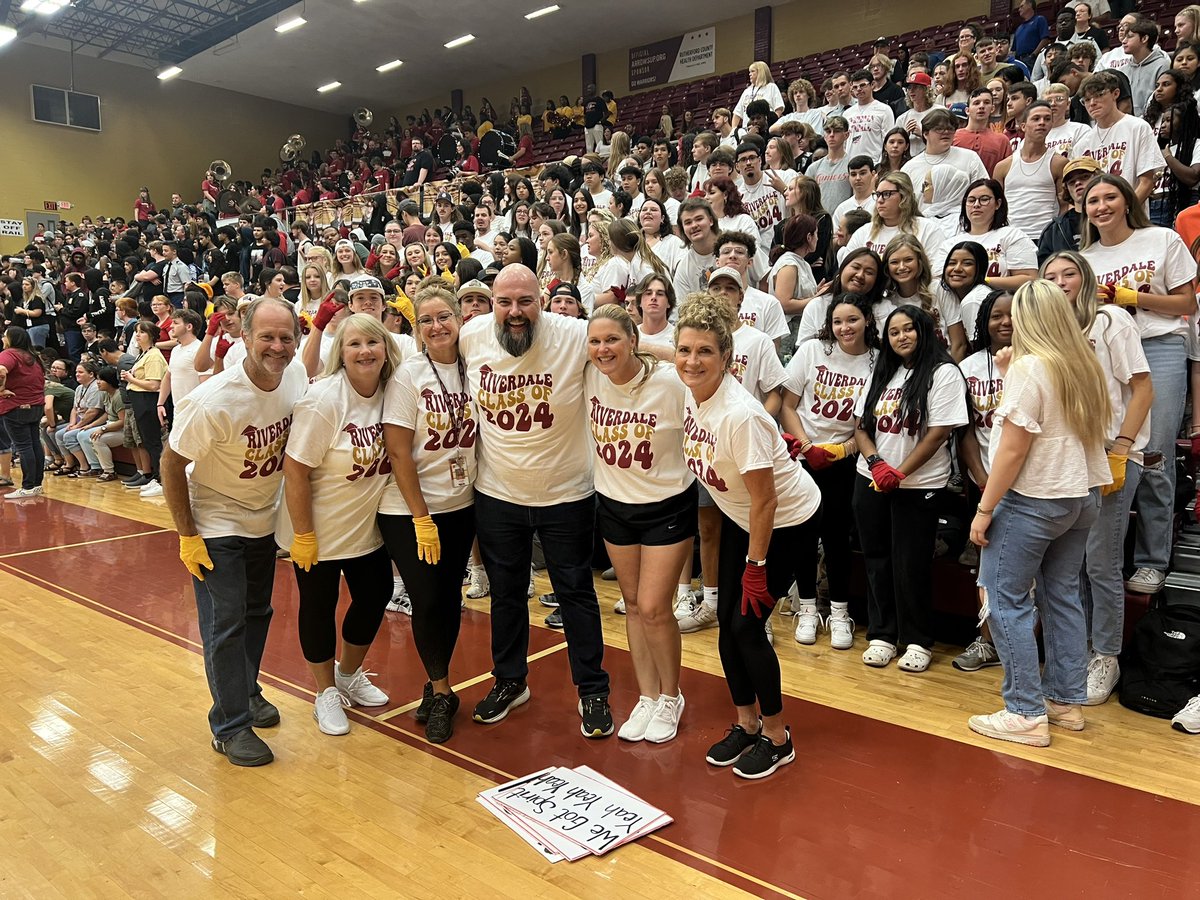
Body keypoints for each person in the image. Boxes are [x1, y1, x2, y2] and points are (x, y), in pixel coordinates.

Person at [459, 265, 613, 737]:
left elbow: (629, 345)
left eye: (525, 301)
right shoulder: (471, 336)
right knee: (506, 596)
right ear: (492, 302)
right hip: (497, 493)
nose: (515, 312)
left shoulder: (574, 334)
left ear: (542, 300)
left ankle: (593, 692)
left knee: (576, 596)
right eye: (505, 302)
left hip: (566, 493)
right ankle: (510, 681)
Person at [676, 291, 821, 779]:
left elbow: (767, 500)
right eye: (684, 350)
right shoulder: (691, 393)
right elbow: (657, 348)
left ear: (728, 359)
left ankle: (778, 738)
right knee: (726, 621)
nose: (692, 360)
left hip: (787, 523)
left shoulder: (740, 415)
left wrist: (756, 568)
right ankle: (745, 722)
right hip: (744, 517)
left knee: (746, 626)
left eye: (705, 352)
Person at [160, 297, 307, 767]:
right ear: (243, 338)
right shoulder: (215, 398)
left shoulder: (297, 379)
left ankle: (244, 690)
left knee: (257, 611)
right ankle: (229, 726)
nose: (277, 346)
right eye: (266, 336)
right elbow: (171, 461)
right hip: (216, 520)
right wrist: (188, 535)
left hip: (263, 518)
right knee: (225, 622)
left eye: (286, 337)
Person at [967, 279, 1111, 747]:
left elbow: (1011, 450)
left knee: (1004, 600)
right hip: (1081, 496)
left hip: (1034, 499)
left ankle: (1025, 712)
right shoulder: (1082, 363)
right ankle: (1065, 702)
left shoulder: (1031, 367)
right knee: (1063, 595)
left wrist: (984, 509)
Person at [1042, 250, 1152, 705]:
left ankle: (1106, 654)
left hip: (1113, 452)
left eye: (1069, 273)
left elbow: (1143, 387)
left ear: (1086, 280)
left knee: (1101, 562)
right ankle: (1078, 651)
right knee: (1070, 565)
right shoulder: (1052, 333)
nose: (1061, 280)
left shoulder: (1109, 321)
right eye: (1051, 275)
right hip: (1070, 455)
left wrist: (1124, 447)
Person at [581, 304, 695, 743]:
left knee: (653, 607)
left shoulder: (669, 382)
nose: (603, 349)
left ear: (633, 340)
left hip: (667, 504)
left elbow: (705, 372)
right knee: (631, 604)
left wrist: (652, 346)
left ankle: (672, 695)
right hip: (613, 504)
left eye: (613, 339)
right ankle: (647, 696)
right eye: (595, 341)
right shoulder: (591, 377)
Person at [281, 313, 398, 736]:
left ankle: (347, 673)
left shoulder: (393, 392)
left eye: (372, 342)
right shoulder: (324, 399)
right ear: (341, 353)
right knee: (318, 606)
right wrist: (304, 534)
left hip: (365, 527)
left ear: (386, 347)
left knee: (375, 595)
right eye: (354, 345)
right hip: (318, 526)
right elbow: (294, 470)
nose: (365, 351)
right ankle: (324, 693)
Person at [1078, 175, 1194, 598]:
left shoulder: (1161, 239)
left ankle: (1151, 560)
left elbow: (1187, 304)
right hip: (1104, 354)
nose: (1101, 206)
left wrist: (1132, 298)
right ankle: (1106, 556)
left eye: (1110, 197)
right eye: (1093, 200)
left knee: (1152, 455)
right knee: (1107, 455)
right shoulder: (1085, 257)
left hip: (1159, 345)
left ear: (1128, 202)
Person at [853, 305, 968, 673]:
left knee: (911, 563)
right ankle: (882, 634)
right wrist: (876, 464)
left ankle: (918, 640)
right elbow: (861, 427)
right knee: (876, 557)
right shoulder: (882, 372)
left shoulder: (944, 372)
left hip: (918, 485)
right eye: (893, 332)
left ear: (924, 330)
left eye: (908, 329)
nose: (901, 337)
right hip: (870, 478)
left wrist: (898, 473)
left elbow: (938, 434)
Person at [780, 293, 878, 649]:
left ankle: (839, 611)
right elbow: (788, 405)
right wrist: (807, 446)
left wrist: (842, 450)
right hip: (805, 456)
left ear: (867, 319)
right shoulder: (812, 351)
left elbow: (870, 422)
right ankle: (807, 607)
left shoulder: (877, 361)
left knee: (837, 538)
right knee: (803, 536)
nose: (844, 328)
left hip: (846, 460)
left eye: (852, 320)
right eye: (838, 322)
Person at [954, 290, 1012, 670]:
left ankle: (1018, 647)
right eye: (996, 316)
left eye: (1012, 315)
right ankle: (989, 641)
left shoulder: (1043, 360)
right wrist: (981, 478)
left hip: (1031, 485)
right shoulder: (970, 366)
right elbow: (967, 432)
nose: (1004, 322)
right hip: (986, 481)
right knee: (987, 569)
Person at [1074, 71, 1166, 205]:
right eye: (1087, 100)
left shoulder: (1137, 127)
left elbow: (1147, 181)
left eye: (1099, 95)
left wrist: (1125, 211)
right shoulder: (1082, 144)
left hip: (1132, 218)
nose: (1092, 103)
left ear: (1115, 94)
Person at [994, 101, 1068, 243]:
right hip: (1010, 236)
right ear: (1023, 126)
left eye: (1047, 119)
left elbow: (1064, 205)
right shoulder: (1003, 166)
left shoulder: (1058, 163)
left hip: (1045, 237)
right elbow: (996, 206)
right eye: (1036, 119)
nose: (1042, 123)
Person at [954, 178, 1039, 293]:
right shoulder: (951, 242)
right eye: (971, 200)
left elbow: (1030, 279)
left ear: (998, 204)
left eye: (984, 199)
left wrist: (983, 281)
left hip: (1001, 304)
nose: (976, 205)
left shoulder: (1012, 236)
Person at [0, 326, 47, 499]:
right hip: (35, 406)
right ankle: (36, 485)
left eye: (5, 336)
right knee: (34, 444)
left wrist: (0, 390)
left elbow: (0, 370)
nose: (3, 339)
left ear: (11, 339)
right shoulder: (33, 357)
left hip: (16, 407)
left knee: (24, 447)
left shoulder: (9, 354)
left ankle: (27, 487)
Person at [732, 61, 785, 130]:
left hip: (765, 128)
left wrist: (771, 123)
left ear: (761, 72)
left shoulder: (771, 87)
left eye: (752, 71)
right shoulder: (746, 91)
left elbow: (779, 108)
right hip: (747, 130)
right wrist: (734, 130)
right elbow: (737, 113)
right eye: (749, 72)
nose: (750, 74)